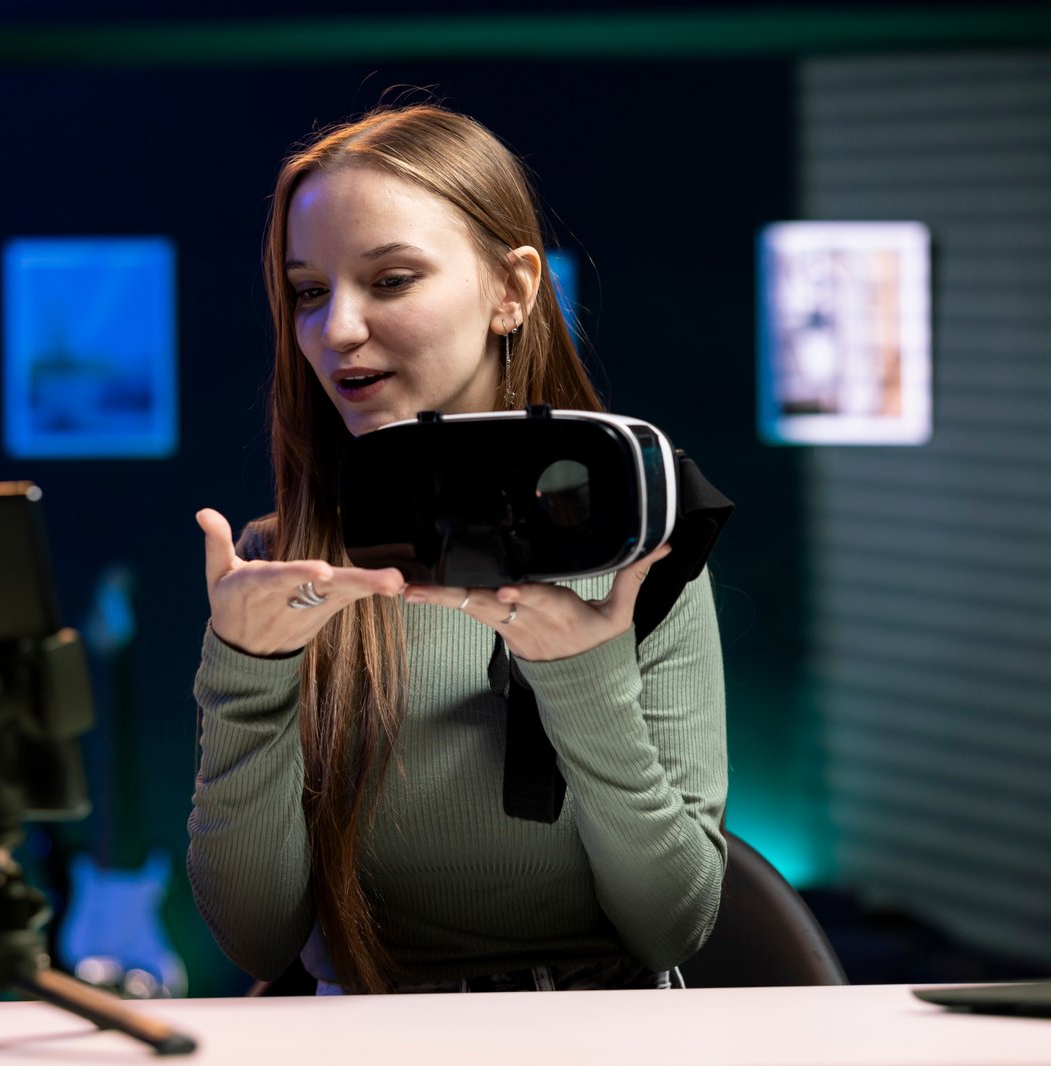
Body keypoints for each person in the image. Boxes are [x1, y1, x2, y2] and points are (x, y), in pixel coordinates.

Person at [187, 104, 728, 995]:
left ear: (511, 290)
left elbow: (673, 923)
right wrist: (249, 676)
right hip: (367, 1037)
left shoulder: (631, 555)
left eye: (391, 279)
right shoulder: (287, 574)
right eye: (309, 292)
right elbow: (256, 939)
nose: (336, 329)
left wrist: (581, 679)